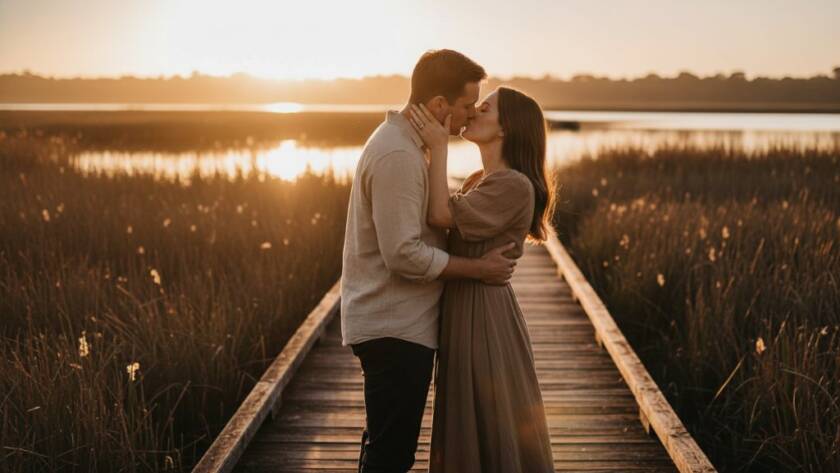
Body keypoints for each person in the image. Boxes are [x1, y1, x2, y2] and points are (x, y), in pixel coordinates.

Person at [339, 49, 520, 473]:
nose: (467, 117)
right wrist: (478, 269)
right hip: (394, 329)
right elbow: (403, 254)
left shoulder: (408, 147)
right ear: (438, 105)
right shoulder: (399, 155)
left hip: (398, 324)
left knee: (384, 444)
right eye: (464, 107)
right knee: (392, 454)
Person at [408, 85, 557, 472]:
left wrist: (438, 146)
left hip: (484, 316)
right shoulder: (480, 178)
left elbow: (440, 216)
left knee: (486, 416)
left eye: (484, 107)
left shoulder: (513, 184)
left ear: (506, 128)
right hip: (466, 307)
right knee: (468, 413)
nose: (472, 112)